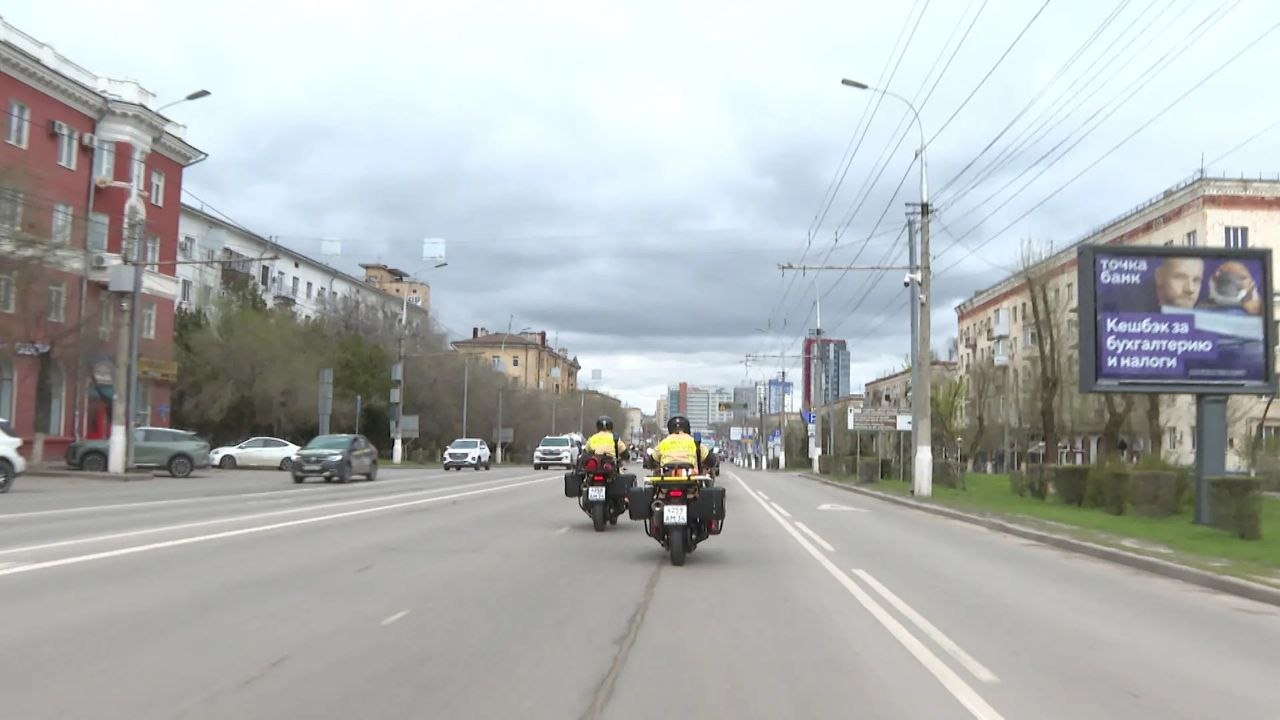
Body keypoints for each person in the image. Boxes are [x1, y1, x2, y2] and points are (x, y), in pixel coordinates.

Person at [647, 415, 711, 472]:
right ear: (688, 429)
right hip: (690, 479)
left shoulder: (664, 443)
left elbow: (651, 461)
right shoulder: (693, 442)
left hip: (667, 478)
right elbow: (711, 460)